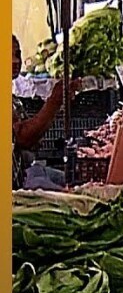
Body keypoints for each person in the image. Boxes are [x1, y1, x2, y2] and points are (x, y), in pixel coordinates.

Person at [11, 36, 70, 189]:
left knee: (67, 180)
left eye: (17, 54)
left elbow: (30, 141)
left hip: (22, 175)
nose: (15, 61)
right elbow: (24, 137)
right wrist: (54, 101)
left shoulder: (14, 100)